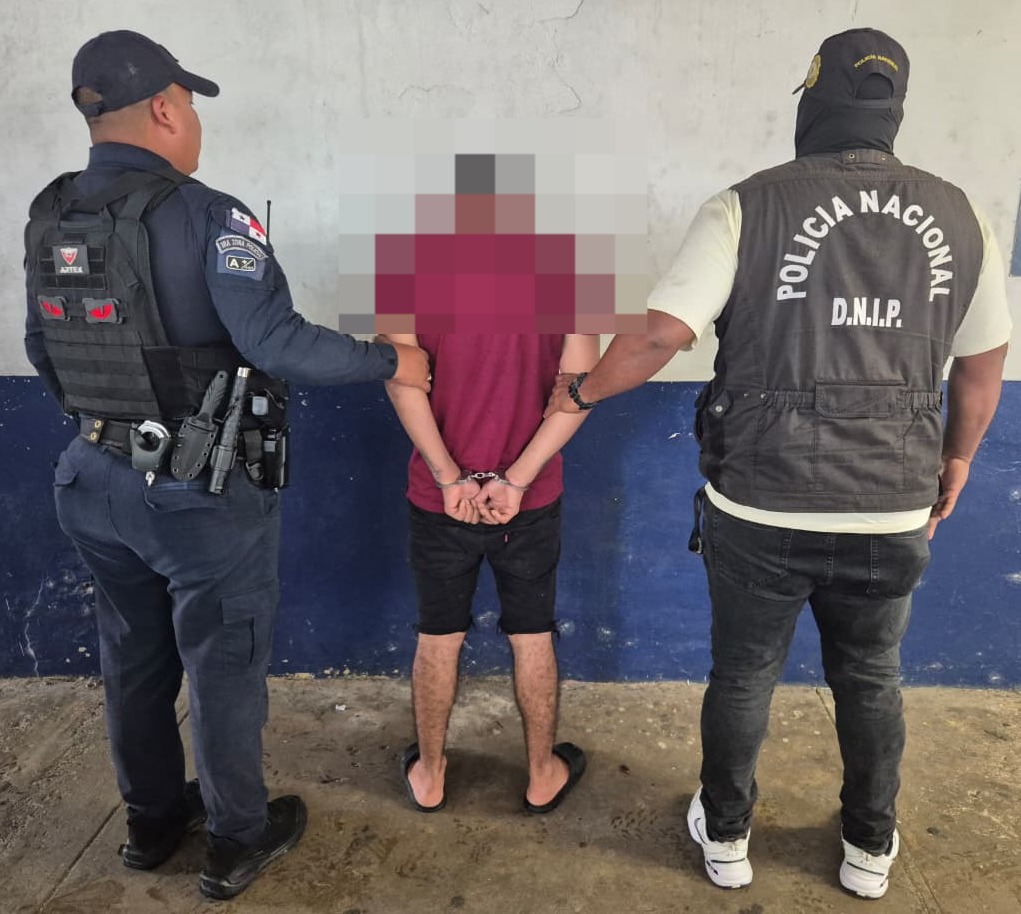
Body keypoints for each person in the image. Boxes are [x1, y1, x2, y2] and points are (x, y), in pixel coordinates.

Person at [546, 28, 1011, 899]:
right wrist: (955, 460)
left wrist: (580, 391)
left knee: (743, 675)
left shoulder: (745, 206)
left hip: (761, 502)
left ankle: (726, 836)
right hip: (891, 500)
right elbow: (982, 368)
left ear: (812, 101)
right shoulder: (961, 216)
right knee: (870, 678)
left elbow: (658, 335)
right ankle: (868, 848)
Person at [23, 30, 430, 901]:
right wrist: (391, 359)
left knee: (134, 660)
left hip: (88, 478)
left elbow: (41, 347)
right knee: (223, 666)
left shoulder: (52, 212)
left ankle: (150, 824)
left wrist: (108, 432)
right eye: (189, 104)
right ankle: (237, 837)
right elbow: (274, 342)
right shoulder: (209, 215)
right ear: (166, 108)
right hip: (195, 496)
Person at [384, 331, 599, 813]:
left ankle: (429, 777)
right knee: (532, 633)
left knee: (438, 635)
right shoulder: (586, 275)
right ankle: (542, 775)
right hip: (530, 495)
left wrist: (447, 476)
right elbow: (582, 387)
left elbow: (399, 379)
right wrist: (517, 479)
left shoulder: (390, 274)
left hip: (439, 496)